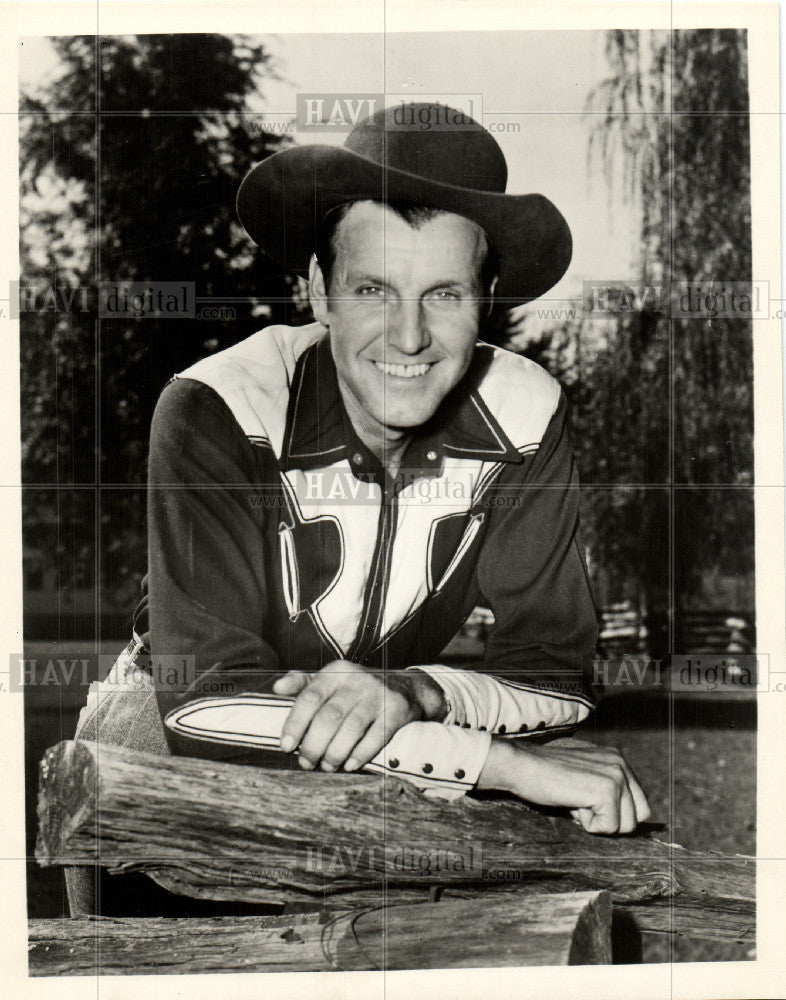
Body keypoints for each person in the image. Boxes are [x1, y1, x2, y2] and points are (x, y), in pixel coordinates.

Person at [66, 102, 648, 917]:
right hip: (182, 728)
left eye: (443, 293)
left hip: (390, 731)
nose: (408, 337)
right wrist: (493, 762)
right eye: (373, 287)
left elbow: (559, 672)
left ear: (489, 299)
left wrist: (417, 691)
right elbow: (202, 703)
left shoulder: (528, 413)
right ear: (318, 290)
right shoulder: (218, 405)